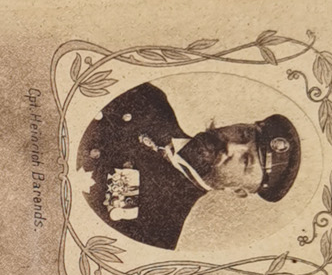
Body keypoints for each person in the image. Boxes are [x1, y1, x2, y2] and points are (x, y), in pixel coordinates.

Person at [77, 81, 301, 251]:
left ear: (238, 191)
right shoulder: (151, 101)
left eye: (245, 160)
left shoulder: (159, 231)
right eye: (243, 134)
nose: (231, 146)